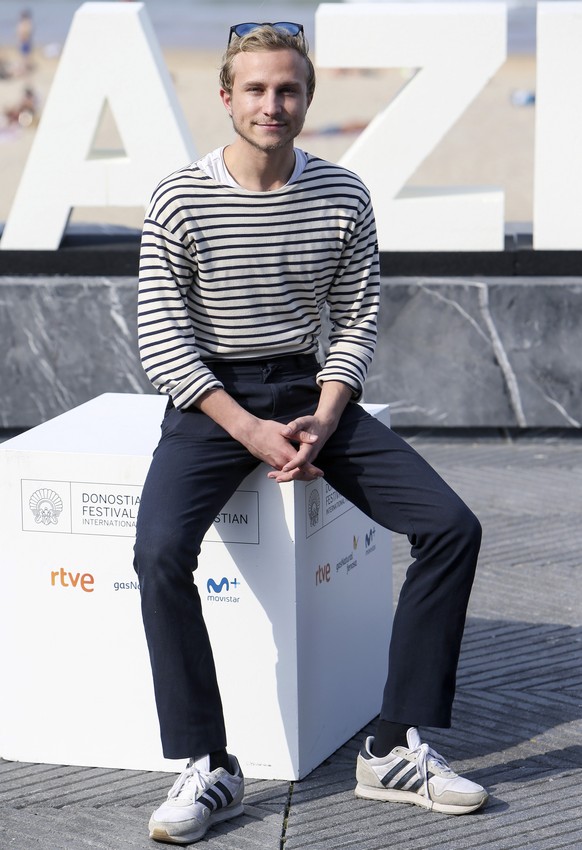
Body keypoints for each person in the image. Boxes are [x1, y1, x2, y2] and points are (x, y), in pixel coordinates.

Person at [134, 22, 488, 846]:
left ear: (307, 97)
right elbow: (161, 333)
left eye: (287, 89)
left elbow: (359, 317)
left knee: (451, 528)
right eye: (254, 89)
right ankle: (208, 763)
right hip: (211, 400)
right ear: (226, 97)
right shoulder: (180, 197)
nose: (272, 104)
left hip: (309, 388)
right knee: (156, 554)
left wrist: (326, 415)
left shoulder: (343, 194)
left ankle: (394, 743)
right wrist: (246, 429)